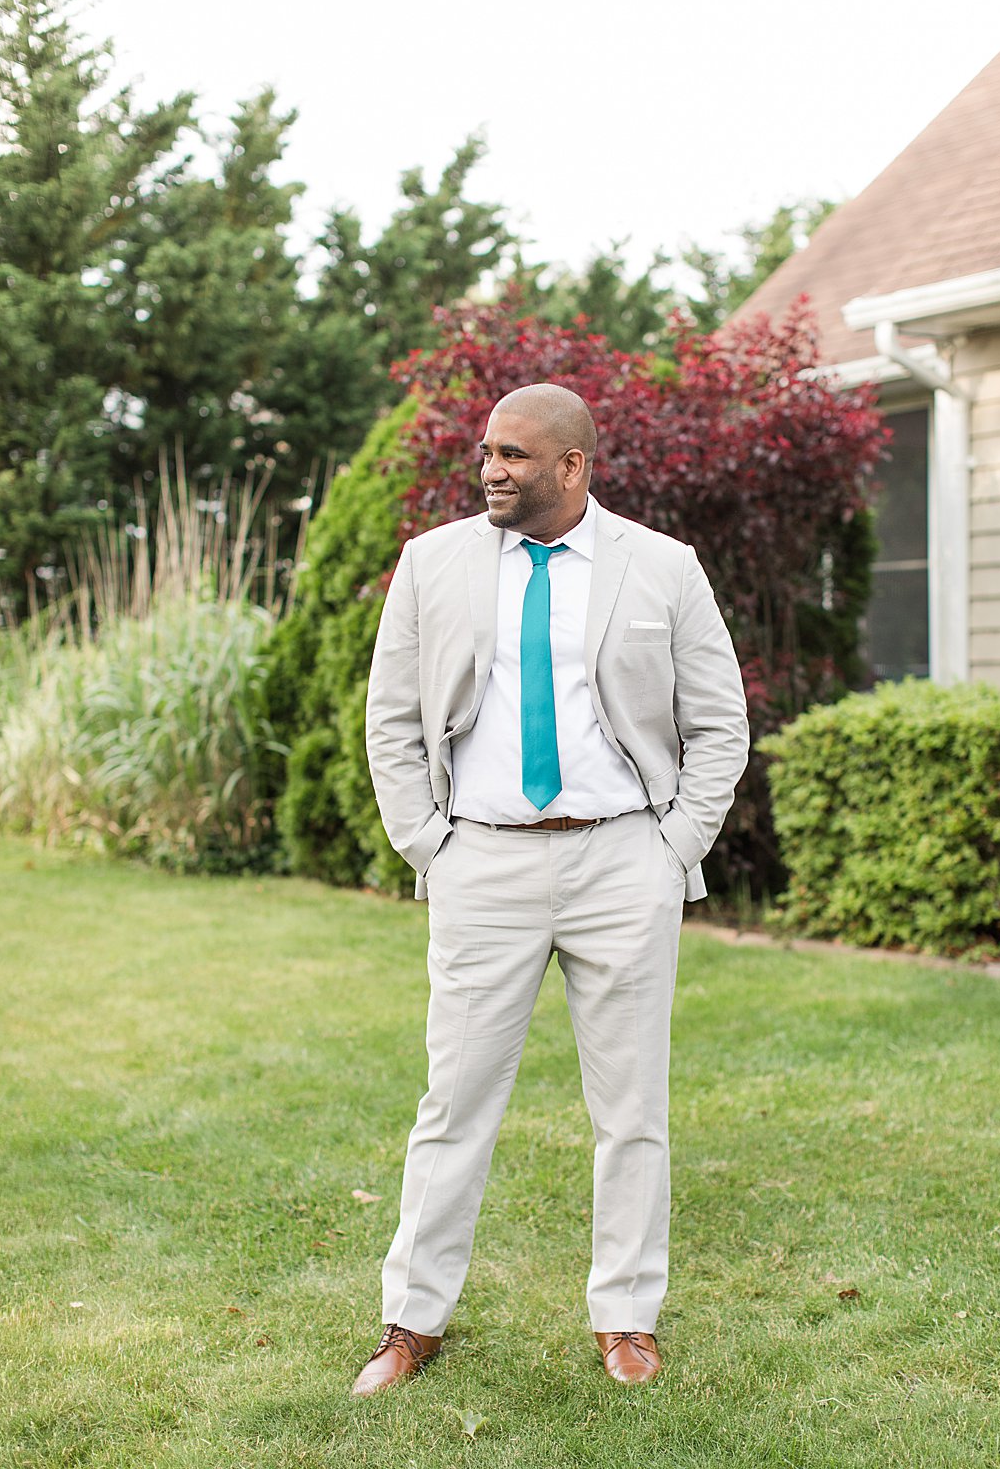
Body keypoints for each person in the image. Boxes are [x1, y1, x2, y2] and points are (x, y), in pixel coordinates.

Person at [353, 382, 748, 1394]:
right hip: (480, 860)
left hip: (622, 859)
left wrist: (672, 848)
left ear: (572, 466)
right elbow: (390, 721)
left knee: (629, 1104)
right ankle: (411, 1322)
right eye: (486, 451)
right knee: (454, 1100)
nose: (491, 468)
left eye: (515, 454)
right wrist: (428, 847)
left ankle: (626, 1317)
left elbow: (716, 723)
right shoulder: (430, 563)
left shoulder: (660, 569)